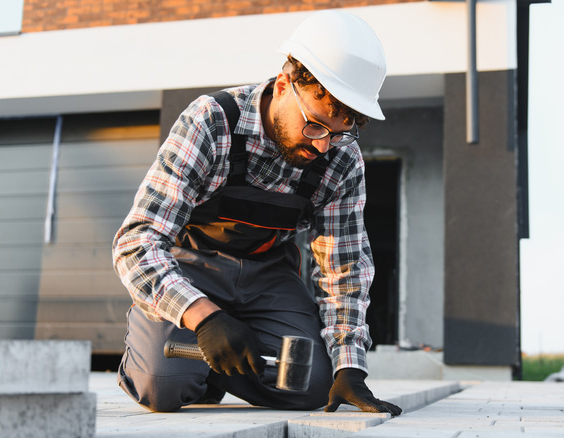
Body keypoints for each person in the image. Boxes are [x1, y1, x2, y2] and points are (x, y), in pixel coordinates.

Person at [112, 9, 402, 416]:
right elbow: (137, 242)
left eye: (338, 132)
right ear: (284, 84)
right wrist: (204, 317)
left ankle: (212, 364)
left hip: (268, 276)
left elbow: (344, 269)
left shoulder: (342, 158)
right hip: (192, 266)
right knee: (161, 387)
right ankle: (178, 353)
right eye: (316, 126)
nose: (324, 145)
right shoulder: (211, 122)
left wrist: (350, 366)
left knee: (313, 386)